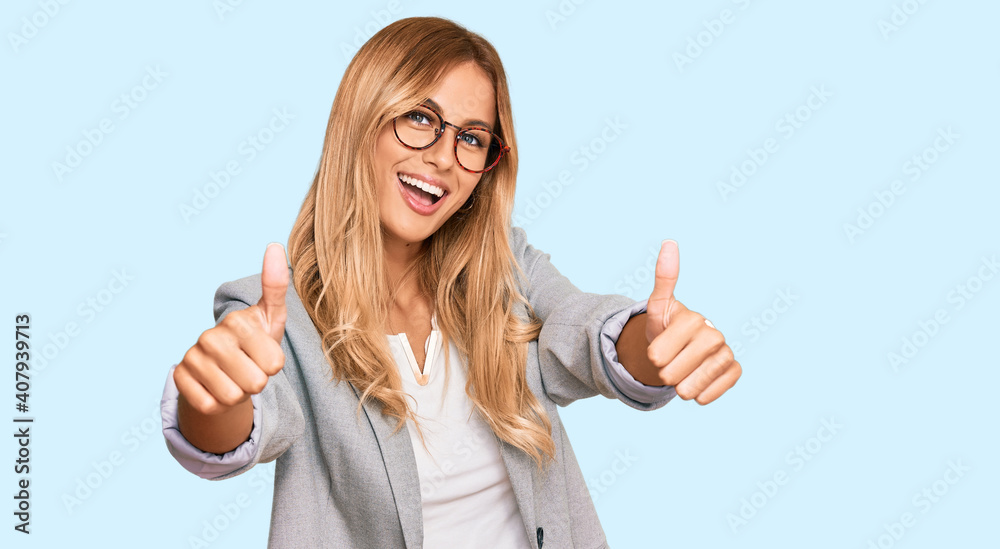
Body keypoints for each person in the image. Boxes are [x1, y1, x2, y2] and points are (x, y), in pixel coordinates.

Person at [160, 16, 740, 549]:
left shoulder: (507, 270)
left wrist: (654, 344)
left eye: (471, 137)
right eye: (420, 117)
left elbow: (584, 331)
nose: (442, 156)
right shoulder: (275, 315)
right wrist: (214, 398)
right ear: (361, 121)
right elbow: (231, 429)